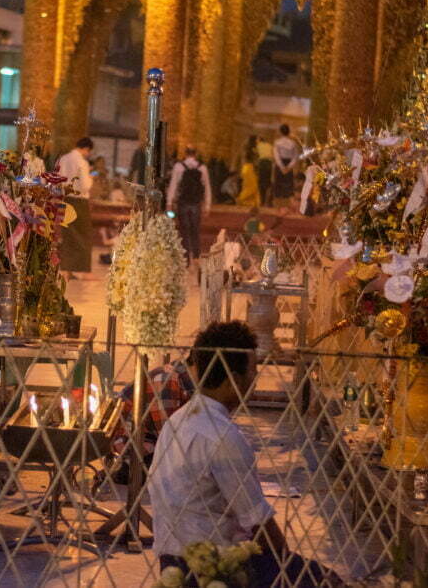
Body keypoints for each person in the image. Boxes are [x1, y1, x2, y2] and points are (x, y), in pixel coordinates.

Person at [148, 321, 342, 587]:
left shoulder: (178, 420)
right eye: (253, 370)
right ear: (234, 380)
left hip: (171, 560)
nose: (256, 378)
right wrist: (287, 566)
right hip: (213, 564)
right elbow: (257, 520)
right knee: (327, 581)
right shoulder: (222, 436)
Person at [110, 358, 195, 484]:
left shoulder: (183, 381)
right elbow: (168, 436)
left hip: (149, 440)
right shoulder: (166, 380)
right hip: (131, 447)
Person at [57, 137, 95, 279]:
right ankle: (84, 272)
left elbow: (58, 179)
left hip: (65, 199)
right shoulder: (82, 162)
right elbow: (85, 185)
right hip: (79, 202)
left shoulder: (64, 159)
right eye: (88, 152)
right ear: (86, 149)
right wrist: (91, 178)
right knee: (83, 235)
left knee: (68, 235)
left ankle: (66, 270)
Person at [167, 145, 212, 262]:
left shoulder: (178, 166)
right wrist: (207, 205)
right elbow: (207, 187)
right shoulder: (202, 168)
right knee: (195, 230)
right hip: (196, 203)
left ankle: (186, 257)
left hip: (183, 202)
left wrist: (169, 202)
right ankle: (196, 256)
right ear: (195, 154)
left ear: (185, 153)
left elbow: (173, 185)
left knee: (184, 230)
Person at [273, 124, 301, 207]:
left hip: (280, 165)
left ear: (280, 132)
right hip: (289, 165)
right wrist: (289, 167)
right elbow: (295, 156)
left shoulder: (277, 142)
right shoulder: (293, 143)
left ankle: (278, 206)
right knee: (288, 185)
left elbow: (276, 156)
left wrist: (281, 167)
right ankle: (287, 206)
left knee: (278, 185)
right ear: (288, 132)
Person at [237, 140, 261, 208]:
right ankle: (241, 198)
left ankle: (250, 202)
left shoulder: (245, 149)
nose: (258, 141)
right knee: (253, 186)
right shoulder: (253, 150)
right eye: (257, 140)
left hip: (245, 168)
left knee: (248, 185)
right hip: (249, 168)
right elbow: (256, 160)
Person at [255, 134, 274, 207]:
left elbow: (256, 156)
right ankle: (269, 200)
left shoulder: (258, 145)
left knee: (261, 183)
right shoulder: (269, 145)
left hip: (262, 163)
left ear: (259, 140)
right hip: (269, 164)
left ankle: (262, 201)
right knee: (268, 183)